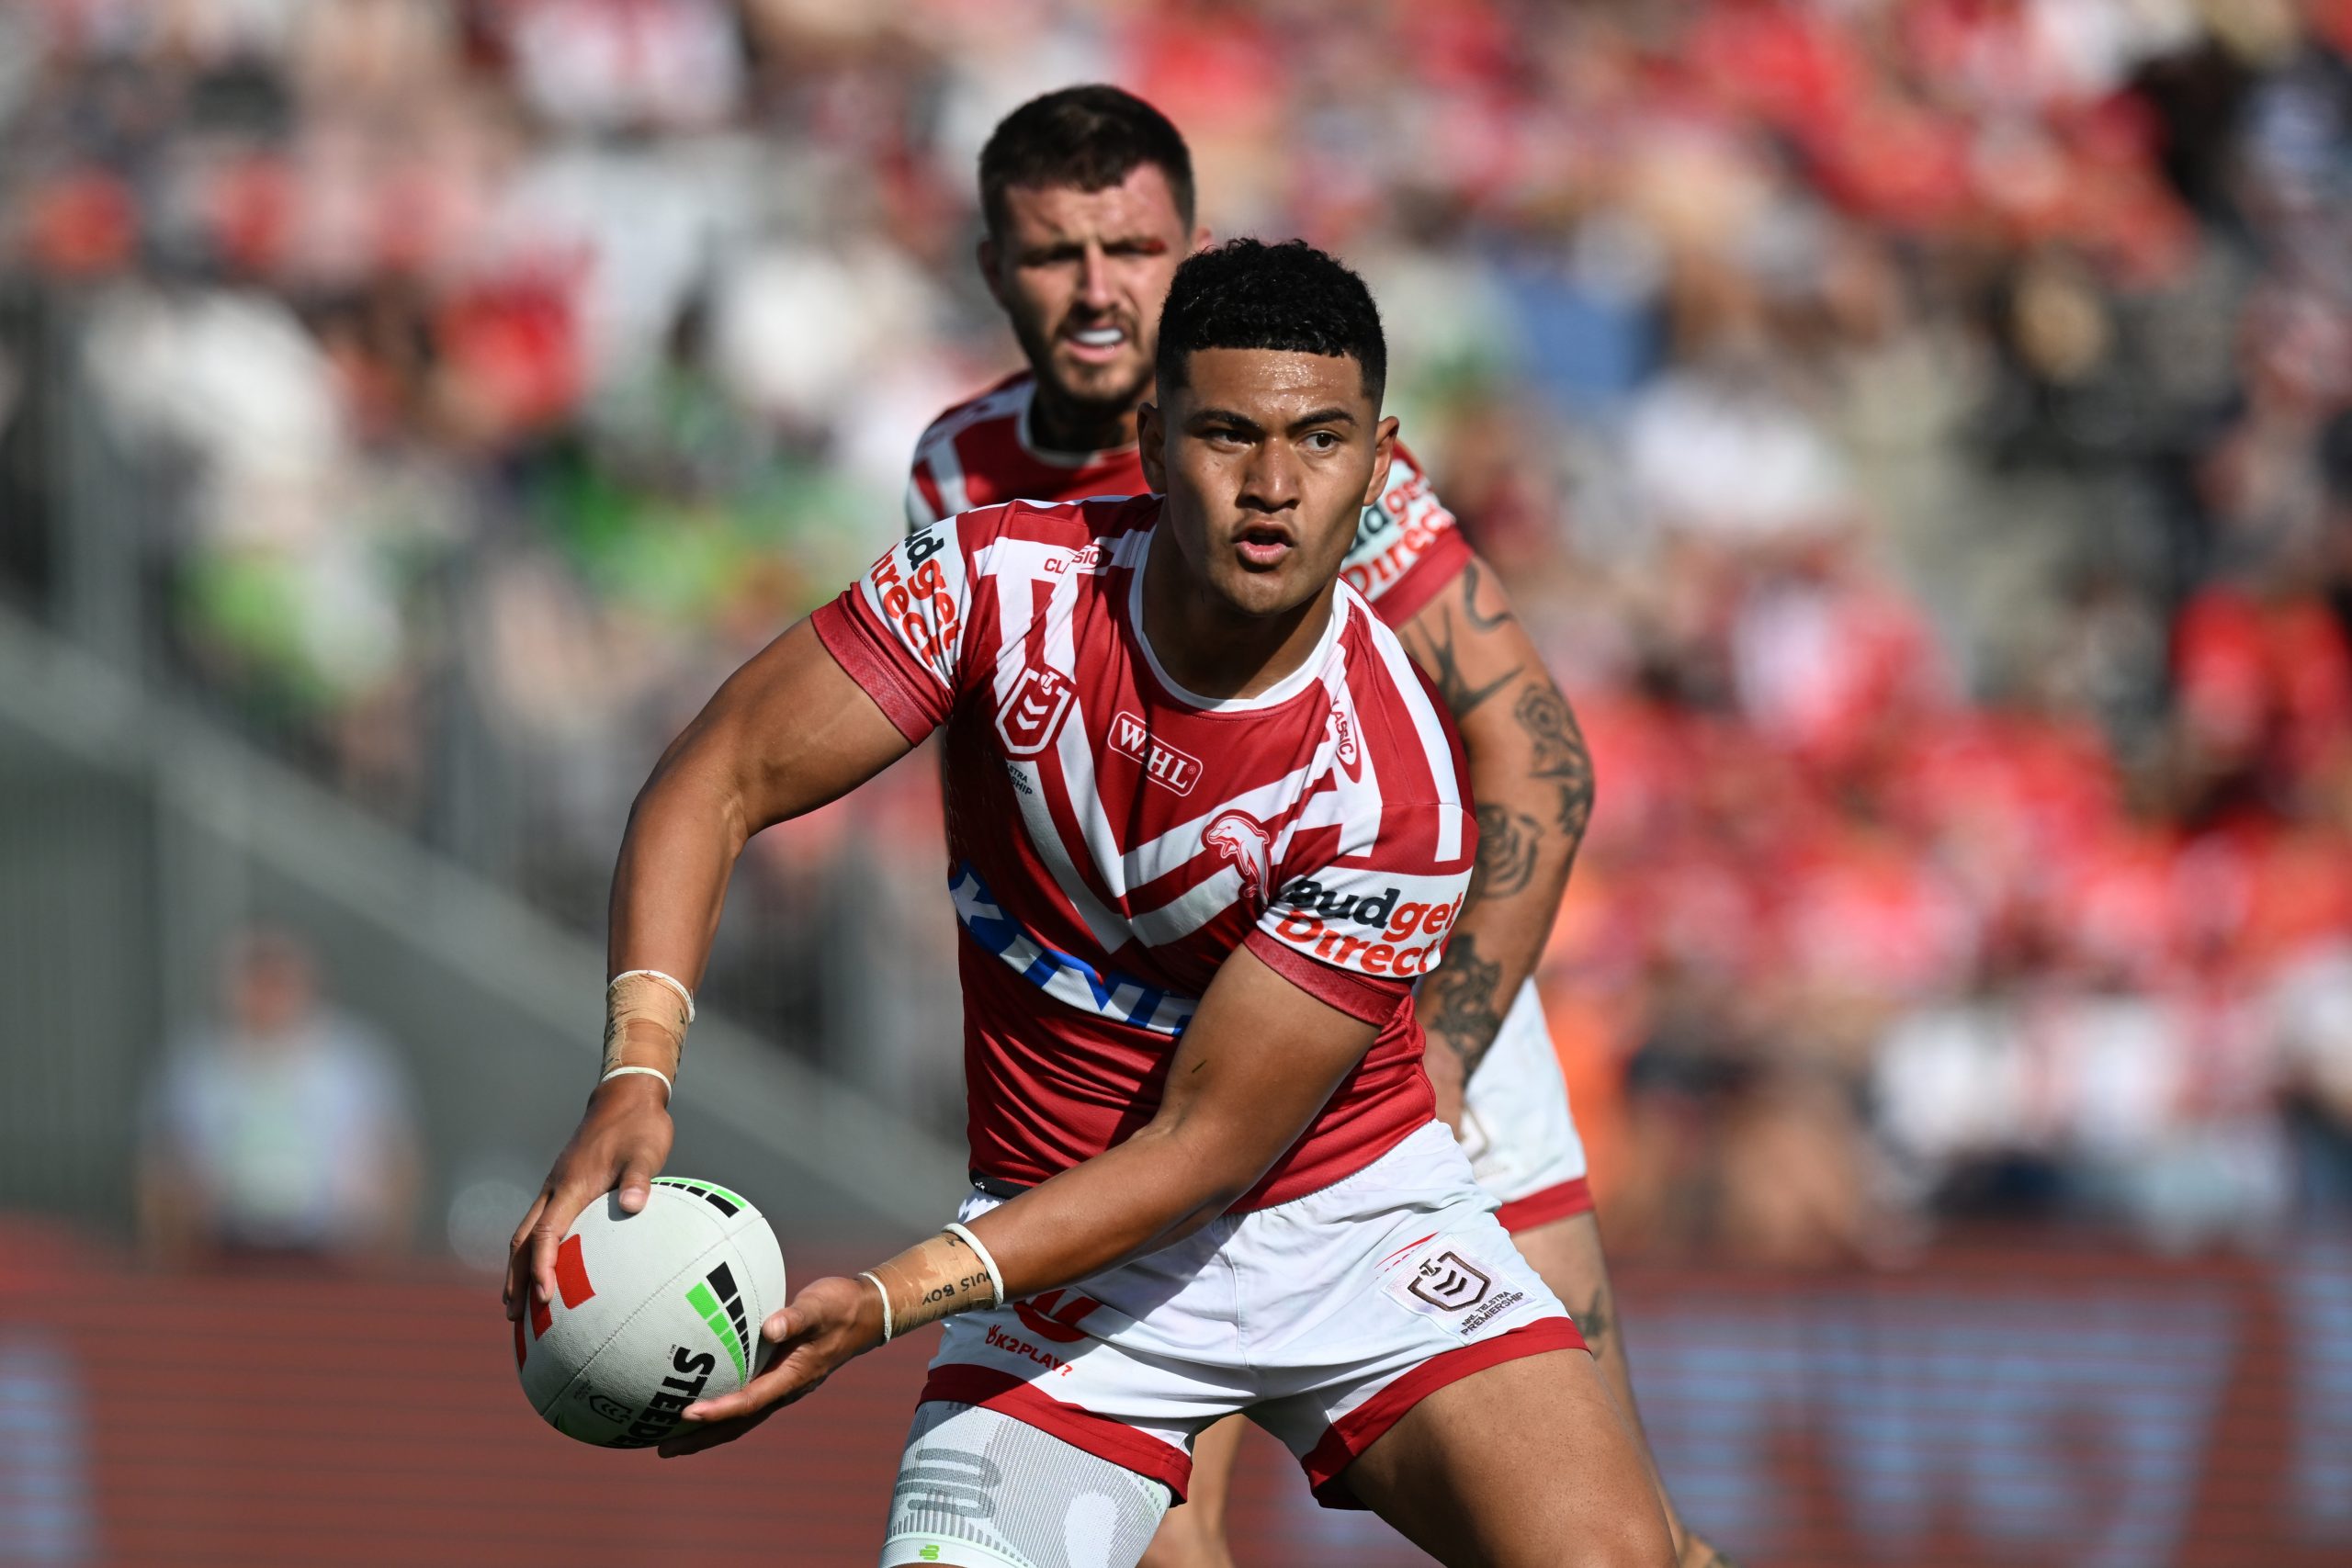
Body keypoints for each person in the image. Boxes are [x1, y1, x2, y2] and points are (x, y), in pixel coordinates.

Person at [507, 238, 1674, 1568]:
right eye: (1227, 434)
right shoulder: (992, 584)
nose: (1274, 485)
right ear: (1153, 438)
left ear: (1377, 462)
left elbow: (1202, 1150)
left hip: (1349, 1230)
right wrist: (635, 1071)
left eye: (1321, 440)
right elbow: (717, 776)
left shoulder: (1392, 788)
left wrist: (890, 1297)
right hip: (1067, 1268)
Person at [907, 85, 1717, 1567]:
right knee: (1164, 1540)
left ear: (1189, 250)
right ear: (992, 270)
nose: (1098, 290)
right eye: (1054, 254)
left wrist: (1445, 1053)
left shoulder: (1319, 459)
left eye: (1134, 249)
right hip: (1153, 1066)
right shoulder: (959, 470)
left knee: (1619, 1541)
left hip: (1400, 1020)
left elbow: (1538, 757)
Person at [139, 927, 421, 1265]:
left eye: (278, 978)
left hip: (339, 1256)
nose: (266, 992)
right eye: (255, 977)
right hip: (220, 1256)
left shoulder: (357, 1062)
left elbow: (400, 1161)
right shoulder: (192, 1067)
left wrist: (386, 1256)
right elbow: (159, 1166)